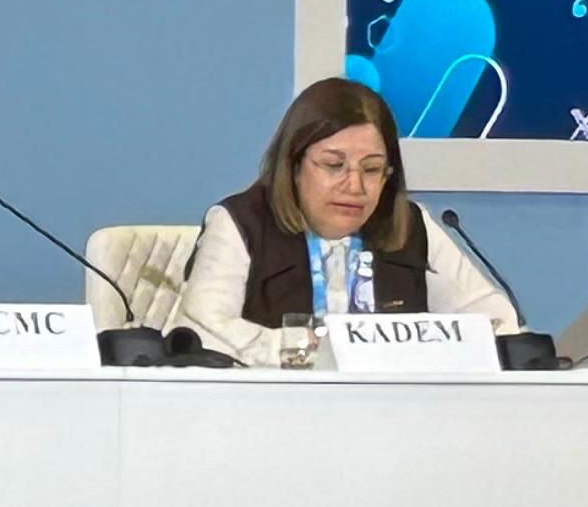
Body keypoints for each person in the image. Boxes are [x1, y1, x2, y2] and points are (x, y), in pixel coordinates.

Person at [179, 75, 518, 365]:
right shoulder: (239, 223)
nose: (355, 186)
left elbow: (496, 319)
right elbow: (204, 329)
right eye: (333, 165)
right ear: (294, 166)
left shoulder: (411, 224)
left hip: (393, 410)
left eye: (371, 169)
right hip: (271, 409)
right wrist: (314, 350)